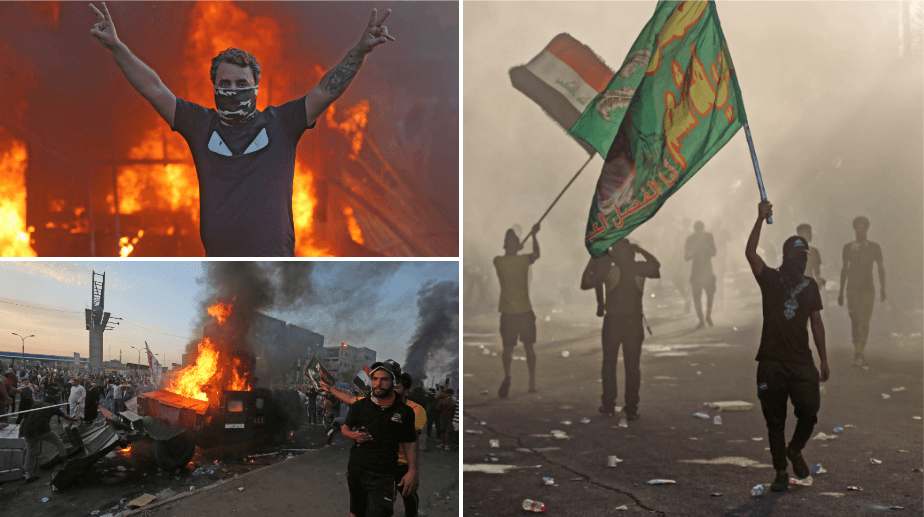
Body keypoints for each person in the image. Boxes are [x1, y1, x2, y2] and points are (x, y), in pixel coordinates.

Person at [89, 2, 396, 256]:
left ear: (256, 88)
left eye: (241, 84)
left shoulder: (283, 123)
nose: (233, 90)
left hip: (275, 262)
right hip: (220, 265)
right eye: (225, 84)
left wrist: (361, 50)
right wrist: (116, 47)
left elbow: (326, 90)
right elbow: (152, 88)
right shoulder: (199, 125)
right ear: (214, 87)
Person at [745, 200, 829, 492]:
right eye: (796, 255)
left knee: (809, 410)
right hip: (771, 360)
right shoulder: (770, 279)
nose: (801, 260)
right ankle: (781, 470)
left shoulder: (811, 286)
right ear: (785, 256)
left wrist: (824, 359)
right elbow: (750, 253)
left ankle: (795, 449)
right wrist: (759, 219)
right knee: (775, 420)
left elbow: (816, 323)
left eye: (804, 255)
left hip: (801, 361)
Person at [581, 239, 660, 420]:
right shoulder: (639, 269)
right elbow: (656, 265)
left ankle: (608, 405)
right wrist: (641, 249)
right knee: (632, 367)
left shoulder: (609, 270)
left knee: (609, 365)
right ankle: (631, 408)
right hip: (633, 321)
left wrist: (594, 258)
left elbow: (585, 282)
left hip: (613, 322)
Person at [342, 361, 418, 517]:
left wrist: (412, 470)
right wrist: (354, 435)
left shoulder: (405, 411)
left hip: (385, 474)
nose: (378, 383)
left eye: (384, 379)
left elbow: (409, 442)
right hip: (356, 469)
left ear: (393, 382)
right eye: (375, 379)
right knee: (356, 512)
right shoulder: (359, 406)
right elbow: (345, 429)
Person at [494, 224, 541, 397]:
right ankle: (532, 382)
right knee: (529, 348)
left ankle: (507, 376)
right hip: (524, 312)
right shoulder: (523, 260)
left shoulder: (498, 261)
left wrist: (516, 247)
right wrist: (535, 235)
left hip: (507, 313)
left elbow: (514, 254)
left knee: (508, 349)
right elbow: (537, 254)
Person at [838, 216, 885, 367]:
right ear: (854, 228)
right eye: (858, 225)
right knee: (856, 319)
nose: (860, 228)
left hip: (868, 288)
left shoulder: (874, 247)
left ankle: (860, 352)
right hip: (852, 288)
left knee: (865, 322)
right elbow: (844, 269)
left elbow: (881, 268)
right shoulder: (848, 247)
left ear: (867, 228)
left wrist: (883, 287)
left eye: (863, 225)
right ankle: (858, 353)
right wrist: (840, 291)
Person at [20, 394, 79, 483]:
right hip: (43, 431)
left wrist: (20, 434)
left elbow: (23, 422)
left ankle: (28, 474)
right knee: (59, 442)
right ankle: (65, 461)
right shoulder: (53, 407)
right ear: (52, 403)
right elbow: (66, 417)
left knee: (30, 453)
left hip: (28, 432)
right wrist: (74, 419)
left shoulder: (35, 406)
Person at [685, 221, 717, 328]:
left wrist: (706, 249)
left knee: (709, 295)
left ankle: (707, 316)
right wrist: (695, 252)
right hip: (697, 271)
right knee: (697, 296)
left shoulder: (708, 237)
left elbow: (714, 252)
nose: (699, 233)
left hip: (707, 270)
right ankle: (702, 318)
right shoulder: (690, 239)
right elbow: (686, 257)